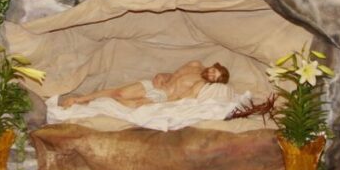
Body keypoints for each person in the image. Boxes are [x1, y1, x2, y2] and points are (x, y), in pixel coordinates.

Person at [60, 61, 230, 109]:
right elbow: (174, 74)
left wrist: (159, 103)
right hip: (156, 85)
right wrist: (161, 75)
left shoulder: (200, 83)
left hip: (162, 95)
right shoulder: (195, 64)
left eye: (214, 78)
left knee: (126, 103)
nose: (211, 74)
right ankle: (79, 99)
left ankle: (80, 103)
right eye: (214, 71)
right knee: (119, 92)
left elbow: (182, 98)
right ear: (214, 66)